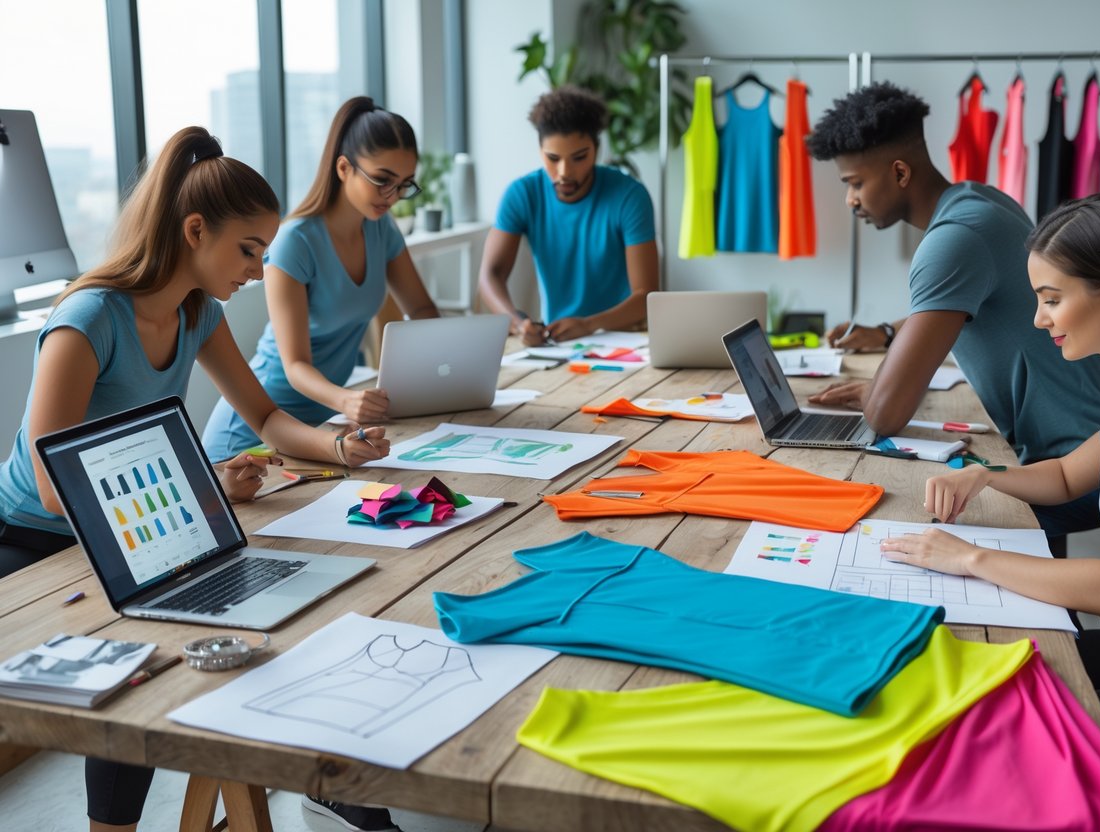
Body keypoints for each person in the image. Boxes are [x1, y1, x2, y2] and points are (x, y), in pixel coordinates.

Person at [0, 126, 389, 831]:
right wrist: (205, 485)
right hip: (31, 537)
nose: (256, 269)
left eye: (264, 253)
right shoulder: (87, 318)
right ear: (192, 230)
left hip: (127, 535)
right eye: (247, 251)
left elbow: (267, 418)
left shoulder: (198, 312)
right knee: (134, 660)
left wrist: (339, 444)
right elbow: (56, 484)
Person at [881, 194, 1100, 808]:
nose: (1038, 320)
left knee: (998, 738)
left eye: (1051, 299)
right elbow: (1063, 477)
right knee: (978, 674)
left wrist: (967, 557)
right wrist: (983, 476)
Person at [805, 82, 1100, 552]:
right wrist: (890, 333)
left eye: (854, 183)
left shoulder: (953, 240)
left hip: (1078, 466)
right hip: (1094, 442)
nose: (850, 200)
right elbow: (973, 301)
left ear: (898, 172)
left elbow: (886, 415)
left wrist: (880, 390)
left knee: (900, 513)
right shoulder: (981, 201)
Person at [203, 96, 439, 462]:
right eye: (382, 180)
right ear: (344, 168)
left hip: (323, 427)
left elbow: (422, 309)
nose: (393, 196)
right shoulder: (294, 242)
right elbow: (295, 366)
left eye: (404, 184)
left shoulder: (381, 230)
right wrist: (346, 400)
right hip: (255, 426)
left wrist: (443, 371)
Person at [478, 86, 658, 346]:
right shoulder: (522, 194)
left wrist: (589, 324)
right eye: (553, 158)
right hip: (560, 342)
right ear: (540, 150)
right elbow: (490, 275)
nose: (564, 172)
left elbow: (647, 295)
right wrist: (517, 323)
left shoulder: (629, 196)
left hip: (628, 340)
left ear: (596, 149)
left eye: (579, 157)